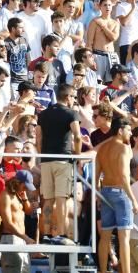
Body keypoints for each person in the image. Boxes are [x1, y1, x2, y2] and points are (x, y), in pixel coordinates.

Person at [94, 118, 138, 273]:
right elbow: (124, 176)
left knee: (105, 236)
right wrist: (134, 200)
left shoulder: (102, 149)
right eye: (129, 130)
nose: (131, 134)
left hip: (106, 192)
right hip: (121, 193)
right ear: (120, 130)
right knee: (124, 237)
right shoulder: (123, 148)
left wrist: (97, 194)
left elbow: (96, 175)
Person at [36, 83, 81, 240]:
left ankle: (47, 234)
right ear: (68, 96)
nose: (74, 100)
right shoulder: (72, 114)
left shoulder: (43, 114)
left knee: (48, 199)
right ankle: (60, 234)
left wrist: (42, 156)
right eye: (74, 97)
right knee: (62, 198)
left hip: (46, 160)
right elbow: (78, 136)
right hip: (63, 160)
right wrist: (78, 156)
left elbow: (38, 138)